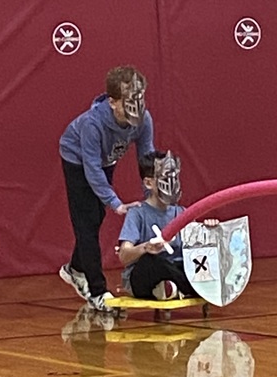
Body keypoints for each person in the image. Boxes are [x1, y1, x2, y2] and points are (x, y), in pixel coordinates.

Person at [59, 66, 154, 312]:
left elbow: (147, 158)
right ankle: (97, 291)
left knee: (95, 217)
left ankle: (74, 268)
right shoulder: (93, 124)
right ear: (112, 102)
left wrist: (153, 197)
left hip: (106, 160)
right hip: (77, 159)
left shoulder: (143, 119)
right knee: (87, 223)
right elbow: (91, 168)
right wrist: (115, 202)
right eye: (129, 101)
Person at [117, 149, 216, 300]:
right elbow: (124, 255)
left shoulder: (182, 212)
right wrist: (146, 247)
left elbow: (197, 251)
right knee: (151, 262)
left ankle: (171, 288)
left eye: (174, 177)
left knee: (194, 265)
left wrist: (209, 230)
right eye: (165, 178)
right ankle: (181, 288)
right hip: (146, 274)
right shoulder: (137, 213)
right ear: (149, 183)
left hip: (175, 266)